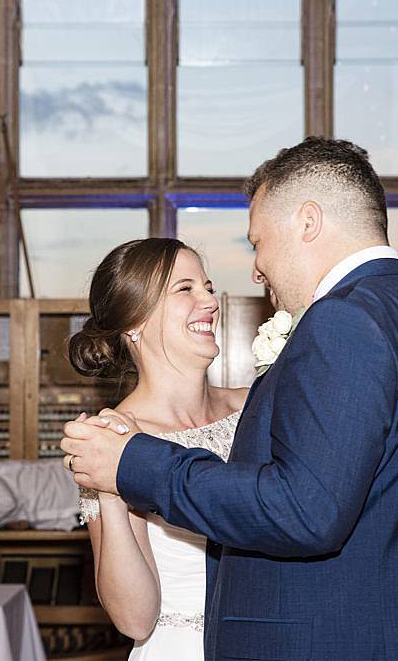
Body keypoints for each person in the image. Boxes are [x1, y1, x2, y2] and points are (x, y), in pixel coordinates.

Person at [62, 136, 398, 659]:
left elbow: (306, 509)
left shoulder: (345, 321)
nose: (254, 269)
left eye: (257, 241)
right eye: (186, 288)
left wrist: (135, 463)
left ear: (308, 222)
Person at [64, 237, 247, 659]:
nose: (210, 300)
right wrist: (110, 489)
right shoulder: (111, 440)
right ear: (135, 321)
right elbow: (135, 620)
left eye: (207, 285)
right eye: (185, 289)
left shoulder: (252, 405)